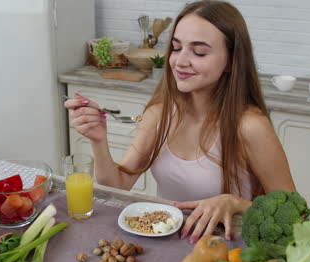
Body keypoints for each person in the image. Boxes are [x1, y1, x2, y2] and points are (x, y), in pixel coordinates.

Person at [64, 0, 296, 243]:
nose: (180, 61)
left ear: (230, 61)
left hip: (228, 250)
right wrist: (98, 140)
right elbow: (118, 185)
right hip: (167, 245)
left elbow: (296, 216)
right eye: (176, 48)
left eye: (199, 52)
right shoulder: (159, 113)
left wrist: (236, 203)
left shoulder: (249, 125)